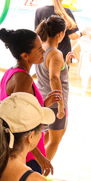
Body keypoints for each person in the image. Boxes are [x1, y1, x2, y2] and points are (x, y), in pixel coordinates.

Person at [0, 28, 57, 176]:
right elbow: (19, 124)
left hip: (18, 149)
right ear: (25, 55)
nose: (44, 52)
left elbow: (20, 112)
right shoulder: (23, 79)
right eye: (39, 50)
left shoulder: (10, 73)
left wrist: (43, 104)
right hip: (25, 154)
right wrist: (39, 157)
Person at [35, 15, 69, 162]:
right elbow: (54, 78)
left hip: (42, 98)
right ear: (60, 34)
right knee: (55, 140)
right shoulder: (55, 53)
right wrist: (61, 105)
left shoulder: (41, 48)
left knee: (46, 135)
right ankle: (40, 170)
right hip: (54, 102)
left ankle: (33, 165)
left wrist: (65, 63)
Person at [33, 0, 81, 68]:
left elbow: (37, 35)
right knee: (61, 76)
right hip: (63, 56)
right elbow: (73, 36)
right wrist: (82, 33)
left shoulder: (39, 11)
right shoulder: (66, 13)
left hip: (44, 55)